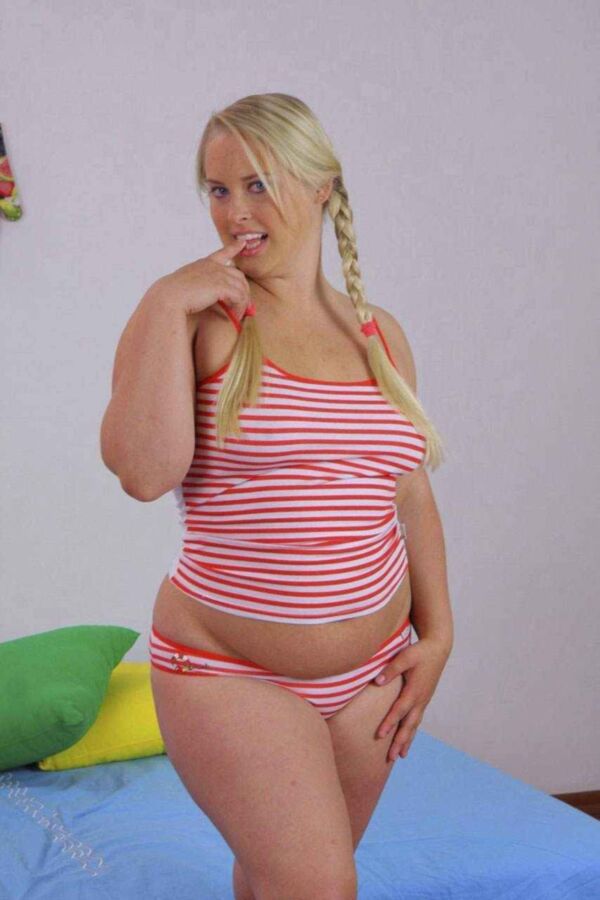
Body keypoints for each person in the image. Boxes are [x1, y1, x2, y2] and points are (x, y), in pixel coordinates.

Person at [100, 92, 454, 900]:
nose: (234, 211)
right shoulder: (201, 322)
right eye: (218, 189)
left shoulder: (380, 334)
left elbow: (409, 495)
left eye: (258, 184)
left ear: (323, 184)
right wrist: (163, 300)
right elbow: (143, 474)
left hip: (371, 677)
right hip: (230, 671)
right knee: (318, 885)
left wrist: (439, 635)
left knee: (277, 879)